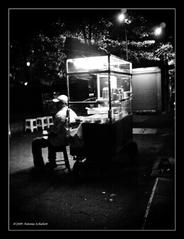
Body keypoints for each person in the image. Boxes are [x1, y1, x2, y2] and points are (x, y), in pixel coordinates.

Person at [32, 94, 79, 170]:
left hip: (59, 140)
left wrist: (47, 133)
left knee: (36, 142)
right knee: (51, 138)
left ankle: (41, 165)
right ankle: (52, 161)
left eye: (58, 103)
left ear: (63, 103)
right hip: (69, 139)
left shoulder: (59, 115)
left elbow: (54, 132)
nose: (56, 105)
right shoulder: (72, 112)